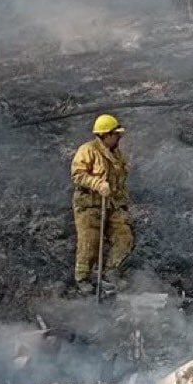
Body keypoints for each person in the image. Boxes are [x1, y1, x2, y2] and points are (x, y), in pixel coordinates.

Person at [70, 114, 133, 294]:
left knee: (124, 237)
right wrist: (97, 184)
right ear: (106, 135)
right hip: (89, 205)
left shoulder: (116, 154)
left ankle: (109, 274)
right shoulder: (88, 150)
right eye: (116, 135)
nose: (119, 138)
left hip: (112, 205)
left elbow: (120, 183)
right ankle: (83, 279)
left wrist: (122, 204)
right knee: (89, 242)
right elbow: (77, 175)